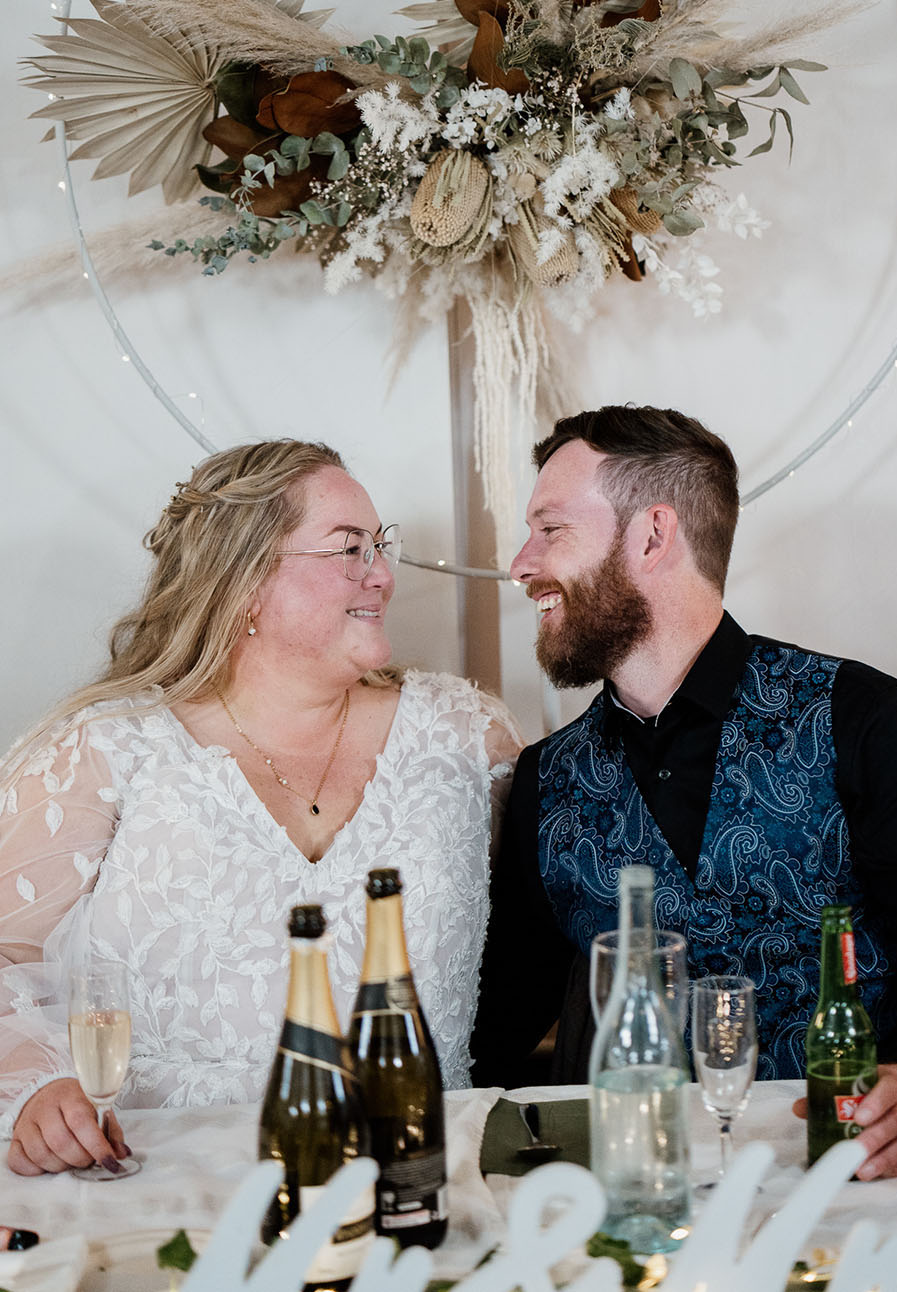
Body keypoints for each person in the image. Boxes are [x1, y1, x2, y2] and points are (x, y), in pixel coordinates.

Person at [472, 404, 897, 1180]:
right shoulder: (545, 781)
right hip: (635, 1201)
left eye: (550, 530)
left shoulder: (863, 719)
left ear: (653, 535)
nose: (521, 564)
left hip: (854, 1185)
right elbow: (498, 1020)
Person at [0, 439, 520, 1175]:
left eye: (381, 546)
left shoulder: (468, 736)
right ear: (244, 577)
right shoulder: (104, 750)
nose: (382, 575)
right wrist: (37, 1086)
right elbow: (4, 956)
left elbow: (548, 941)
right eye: (349, 549)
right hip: (156, 1182)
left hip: (419, 1181)